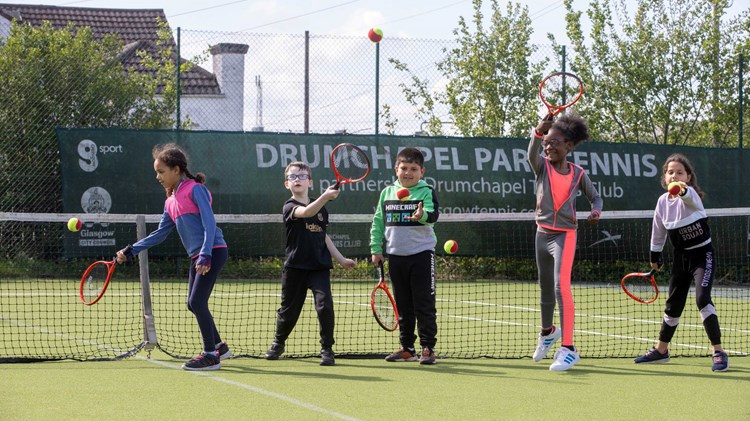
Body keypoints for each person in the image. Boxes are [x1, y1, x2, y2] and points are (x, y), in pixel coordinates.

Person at [116, 143, 230, 371]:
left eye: (161, 171)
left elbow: (209, 223)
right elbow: (160, 233)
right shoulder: (170, 201)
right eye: (156, 172)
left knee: (197, 301)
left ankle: (210, 355)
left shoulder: (195, 189)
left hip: (212, 251)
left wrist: (206, 254)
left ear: (176, 170)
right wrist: (131, 250)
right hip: (198, 255)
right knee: (192, 303)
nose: (158, 177)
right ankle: (220, 347)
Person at [634, 154, 728, 372]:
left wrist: (680, 188)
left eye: (679, 172)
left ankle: (718, 352)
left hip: (703, 256)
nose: (674, 175)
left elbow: (683, 192)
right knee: (673, 306)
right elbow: (658, 232)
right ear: (664, 177)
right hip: (680, 258)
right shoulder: (661, 203)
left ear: (688, 177)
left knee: (703, 299)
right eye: (670, 172)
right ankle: (661, 351)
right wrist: (655, 255)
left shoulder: (691, 194)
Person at [527, 113, 602, 371]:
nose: (549, 147)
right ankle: (547, 331)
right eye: (546, 143)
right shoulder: (542, 167)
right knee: (545, 289)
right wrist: (538, 132)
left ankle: (569, 349)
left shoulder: (578, 173)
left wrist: (595, 211)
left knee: (562, 287)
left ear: (569, 146)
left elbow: (596, 198)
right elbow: (531, 153)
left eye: (554, 142)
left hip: (565, 235)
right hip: (541, 233)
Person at [263, 161, 356, 366]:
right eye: (292, 177)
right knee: (289, 312)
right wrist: (325, 197)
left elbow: (323, 236)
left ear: (310, 182)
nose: (297, 179)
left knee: (325, 307)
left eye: (302, 176)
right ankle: (278, 343)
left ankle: (327, 349)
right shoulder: (290, 206)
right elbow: (305, 213)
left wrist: (341, 259)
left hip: (319, 268)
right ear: (287, 184)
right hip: (295, 267)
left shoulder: (322, 210)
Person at [370, 147, 440, 365]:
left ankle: (427, 348)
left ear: (422, 171)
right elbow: (378, 222)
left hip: (421, 255)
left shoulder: (426, 191)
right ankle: (407, 348)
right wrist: (375, 248)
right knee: (403, 306)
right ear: (396, 169)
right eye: (404, 168)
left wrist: (422, 215)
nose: (408, 173)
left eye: (413, 169)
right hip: (396, 257)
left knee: (424, 304)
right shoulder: (387, 193)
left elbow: (433, 215)